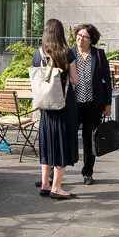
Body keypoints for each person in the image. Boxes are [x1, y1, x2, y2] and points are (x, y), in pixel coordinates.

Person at [32, 19, 79, 199]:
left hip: (46, 107)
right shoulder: (66, 53)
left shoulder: (38, 54)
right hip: (64, 106)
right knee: (62, 144)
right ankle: (57, 187)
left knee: (48, 143)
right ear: (60, 33)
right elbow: (75, 80)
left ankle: (45, 184)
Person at [70, 24, 112, 185]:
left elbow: (107, 81)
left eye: (85, 37)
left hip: (93, 104)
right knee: (68, 137)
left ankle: (87, 173)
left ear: (92, 39)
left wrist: (107, 104)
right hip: (72, 104)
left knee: (89, 139)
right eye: (79, 36)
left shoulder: (98, 55)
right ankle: (56, 171)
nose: (81, 39)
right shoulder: (70, 53)